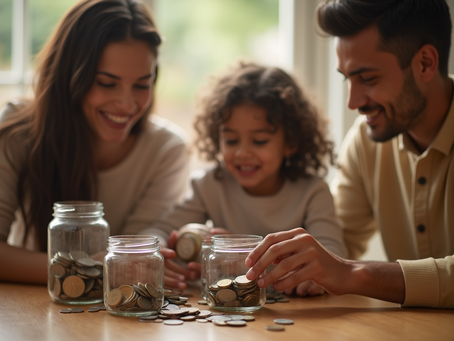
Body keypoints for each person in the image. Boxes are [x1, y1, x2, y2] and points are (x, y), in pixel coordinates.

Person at [245, 0, 454, 309]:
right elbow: (333, 247)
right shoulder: (364, 141)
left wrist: (354, 273)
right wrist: (250, 253)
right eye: (347, 78)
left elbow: (343, 269)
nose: (352, 102)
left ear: (425, 63)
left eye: (367, 78)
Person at [0, 0, 190, 285]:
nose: (127, 104)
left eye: (141, 85)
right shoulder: (17, 130)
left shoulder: (167, 150)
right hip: (27, 310)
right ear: (69, 76)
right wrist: (89, 267)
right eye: (106, 83)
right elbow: (121, 265)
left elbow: (140, 251)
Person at [148, 61, 348, 294]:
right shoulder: (210, 186)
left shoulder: (313, 193)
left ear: (291, 142)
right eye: (231, 141)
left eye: (260, 141)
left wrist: (311, 276)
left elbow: (333, 256)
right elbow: (159, 230)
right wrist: (156, 250)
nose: (242, 152)